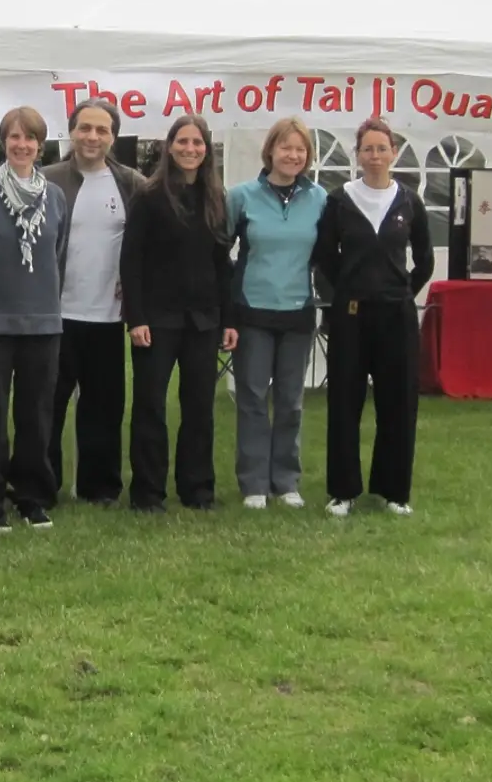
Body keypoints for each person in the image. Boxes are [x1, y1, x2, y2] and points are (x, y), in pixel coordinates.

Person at [313, 116, 433, 517]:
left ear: (394, 153)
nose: (375, 155)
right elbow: (326, 258)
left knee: (397, 403)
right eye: (368, 148)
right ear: (358, 154)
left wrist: (399, 295)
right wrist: (346, 294)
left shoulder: (409, 201)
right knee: (345, 402)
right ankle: (343, 491)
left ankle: (393, 491)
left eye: (382, 148)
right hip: (351, 317)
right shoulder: (340, 200)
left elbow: (426, 261)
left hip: (396, 318)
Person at [0, 106, 70, 531]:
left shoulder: (55, 197)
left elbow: (57, 253)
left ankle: (31, 496)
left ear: (40, 145)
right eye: (14, 137)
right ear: (4, 142)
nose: (21, 145)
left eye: (30, 138)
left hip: (43, 324)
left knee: (36, 415)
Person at [121, 115, 236, 511]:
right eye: (183, 141)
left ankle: (197, 490)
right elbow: (131, 261)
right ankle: (148, 493)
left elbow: (223, 263)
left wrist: (229, 318)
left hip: (203, 320)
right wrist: (135, 317)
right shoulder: (150, 197)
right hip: (156, 320)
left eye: (198, 142)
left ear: (207, 150)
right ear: (169, 147)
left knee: (199, 407)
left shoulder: (215, 197)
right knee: (151, 405)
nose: (191, 149)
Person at [41, 98, 141, 504]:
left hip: (107, 316)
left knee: (104, 408)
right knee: (47, 407)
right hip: (55, 314)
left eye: (102, 130)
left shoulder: (133, 183)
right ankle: (41, 485)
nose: (93, 137)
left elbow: (146, 244)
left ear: (113, 136)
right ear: (71, 131)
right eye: (85, 128)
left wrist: (134, 283)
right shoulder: (47, 180)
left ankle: (100, 488)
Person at [225, 117, 325, 510]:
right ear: (270, 151)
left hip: (298, 311)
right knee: (251, 397)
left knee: (291, 401)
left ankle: (286, 480)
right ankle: (253, 483)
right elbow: (222, 250)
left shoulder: (319, 199)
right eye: (286, 147)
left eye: (300, 149)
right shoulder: (242, 196)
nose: (293, 155)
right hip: (252, 312)